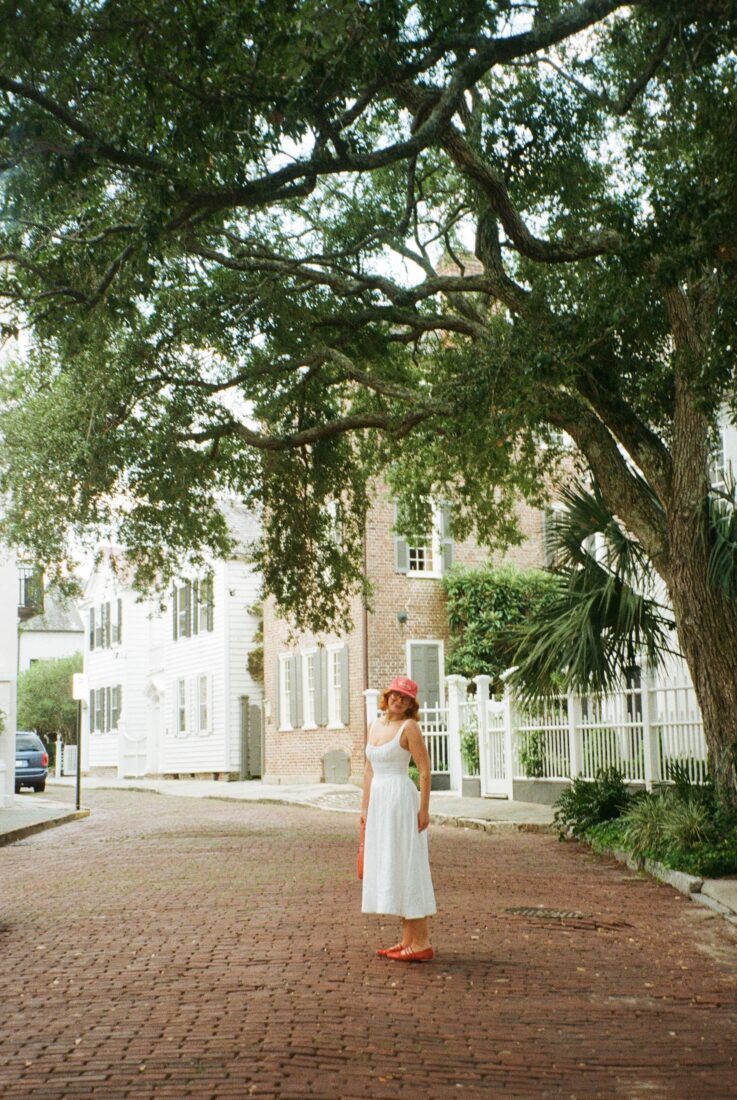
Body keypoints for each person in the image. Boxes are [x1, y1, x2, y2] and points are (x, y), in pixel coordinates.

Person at [360, 675, 436, 962]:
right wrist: (365, 809)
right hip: (380, 803)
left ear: (410, 704)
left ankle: (422, 942)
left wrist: (424, 809)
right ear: (387, 695)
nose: (398, 700)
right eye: (395, 695)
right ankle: (408, 940)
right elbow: (368, 770)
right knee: (391, 864)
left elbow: (425, 770)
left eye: (405, 698)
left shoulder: (410, 728)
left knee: (407, 865)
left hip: (401, 802)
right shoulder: (375, 725)